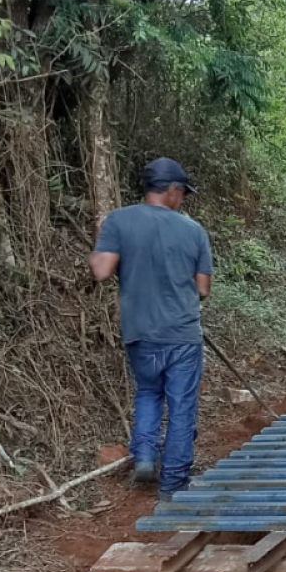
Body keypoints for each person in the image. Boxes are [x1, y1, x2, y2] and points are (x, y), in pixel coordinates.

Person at [89, 157, 214, 501]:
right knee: (181, 405)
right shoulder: (193, 231)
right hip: (181, 334)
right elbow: (203, 289)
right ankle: (173, 483)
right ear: (172, 190)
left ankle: (144, 457)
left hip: (139, 331)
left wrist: (111, 240)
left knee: (148, 393)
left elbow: (101, 270)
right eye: (183, 194)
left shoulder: (118, 220)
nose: (183, 200)